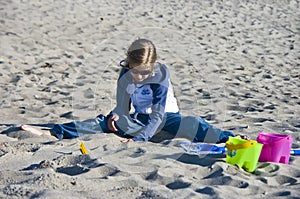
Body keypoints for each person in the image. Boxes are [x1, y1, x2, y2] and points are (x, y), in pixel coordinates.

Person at [21, 39, 247, 143]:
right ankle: (54, 132)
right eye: (135, 72)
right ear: (127, 65)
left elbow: (158, 115)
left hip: (167, 117)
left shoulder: (161, 74)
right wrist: (116, 116)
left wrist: (141, 140)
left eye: (144, 73)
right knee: (102, 122)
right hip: (138, 117)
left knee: (194, 123)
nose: (139, 77)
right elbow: (122, 105)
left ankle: (232, 138)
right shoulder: (124, 73)